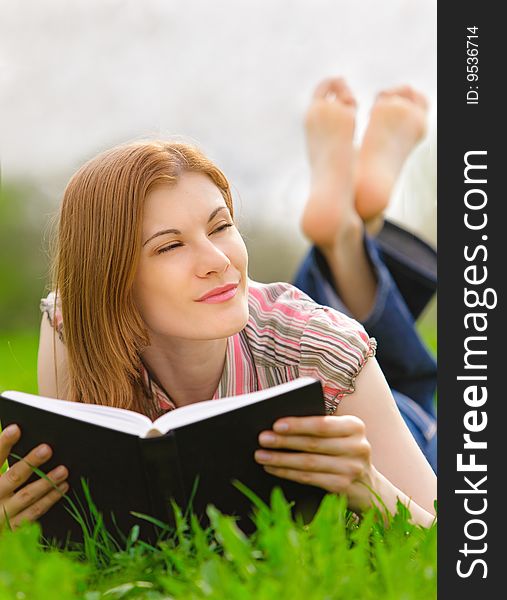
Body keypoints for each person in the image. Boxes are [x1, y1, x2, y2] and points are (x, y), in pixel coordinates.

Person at [0, 78, 437, 534]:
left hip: (383, 424)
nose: (217, 260)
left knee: (406, 386)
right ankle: (348, 231)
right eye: (170, 247)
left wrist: (370, 486)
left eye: (221, 226)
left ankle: (350, 232)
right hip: (282, 341)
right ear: (111, 281)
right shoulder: (73, 327)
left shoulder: (324, 346)